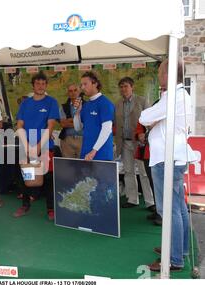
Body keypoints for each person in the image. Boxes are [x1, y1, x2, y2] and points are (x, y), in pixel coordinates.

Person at [139, 59, 195, 272]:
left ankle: (174, 259)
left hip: (166, 159)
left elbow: (145, 117)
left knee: (169, 209)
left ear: (169, 75)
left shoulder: (173, 97)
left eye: (161, 72)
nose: (159, 76)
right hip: (174, 157)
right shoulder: (180, 95)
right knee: (178, 207)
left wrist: (153, 119)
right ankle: (179, 250)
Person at [14, 72, 60, 221]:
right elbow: (19, 125)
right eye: (38, 83)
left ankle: (51, 209)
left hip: (46, 147)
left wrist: (39, 147)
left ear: (46, 85)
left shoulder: (51, 102)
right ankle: (25, 205)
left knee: (48, 179)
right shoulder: (25, 103)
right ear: (33, 85)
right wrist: (27, 146)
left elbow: (51, 125)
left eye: (43, 84)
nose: (41, 86)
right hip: (27, 147)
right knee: (25, 178)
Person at [114, 77, 155, 210]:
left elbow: (150, 120)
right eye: (121, 87)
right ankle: (132, 199)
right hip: (124, 143)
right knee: (128, 171)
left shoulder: (142, 101)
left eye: (126, 86)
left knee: (143, 173)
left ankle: (150, 202)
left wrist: (144, 134)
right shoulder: (118, 103)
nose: (123, 89)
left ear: (132, 87)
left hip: (139, 143)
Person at [73, 71, 114, 161]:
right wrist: (77, 113)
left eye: (85, 84)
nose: (82, 87)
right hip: (86, 152)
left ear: (95, 84)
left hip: (101, 154)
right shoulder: (86, 105)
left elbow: (106, 130)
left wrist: (94, 151)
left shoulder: (105, 103)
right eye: (81, 85)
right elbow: (77, 128)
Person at [59, 83, 84, 158]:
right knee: (68, 165)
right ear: (68, 93)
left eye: (75, 90)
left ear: (79, 91)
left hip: (83, 139)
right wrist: (78, 121)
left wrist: (69, 120)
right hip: (67, 140)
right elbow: (63, 124)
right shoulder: (63, 107)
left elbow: (86, 123)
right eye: (70, 91)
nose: (73, 93)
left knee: (83, 165)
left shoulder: (87, 105)